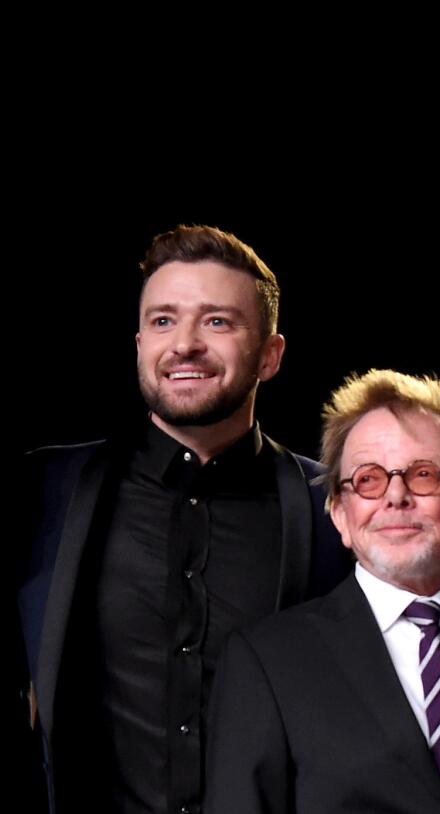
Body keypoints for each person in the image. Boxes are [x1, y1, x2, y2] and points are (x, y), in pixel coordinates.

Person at [16, 225, 349, 814]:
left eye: (218, 322)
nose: (185, 344)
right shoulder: (44, 491)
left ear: (270, 356)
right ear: (139, 343)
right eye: (164, 321)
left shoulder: (337, 505)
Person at [206, 369, 440, 814]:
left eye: (424, 474)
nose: (395, 496)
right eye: (368, 479)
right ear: (340, 514)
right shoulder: (268, 662)